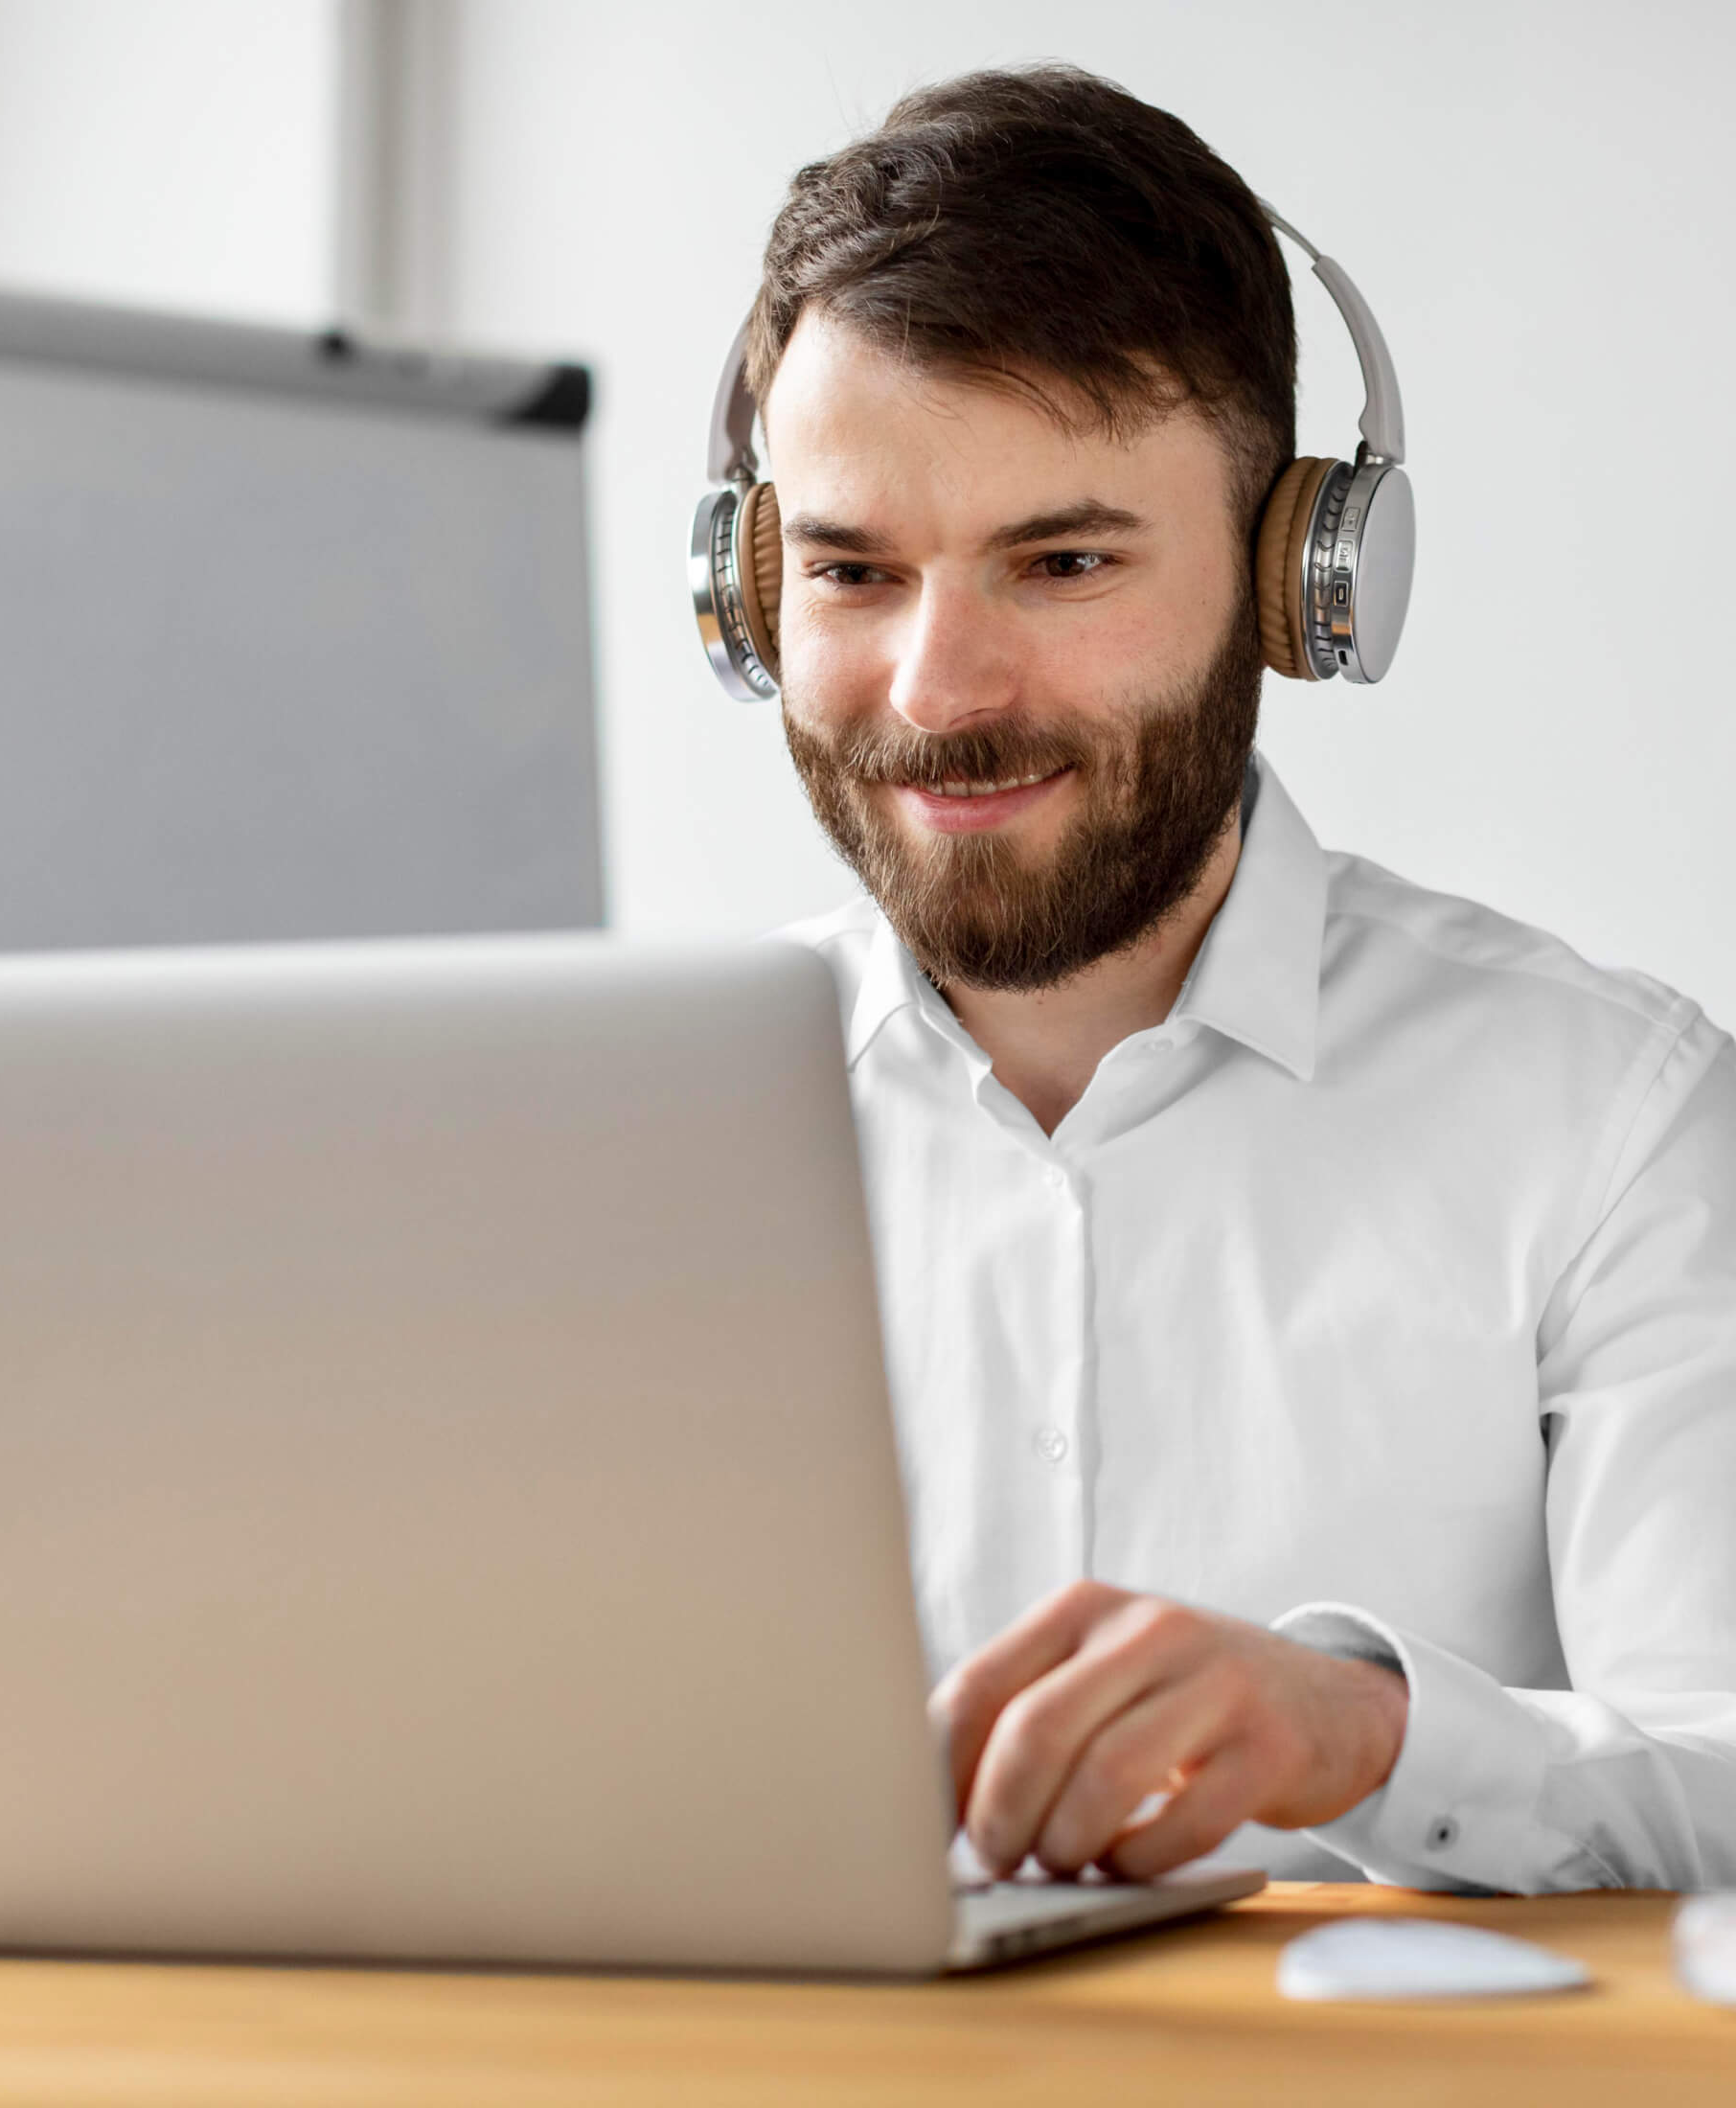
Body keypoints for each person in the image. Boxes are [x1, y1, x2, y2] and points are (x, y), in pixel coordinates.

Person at [736, 65, 1736, 1890]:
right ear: (746, 593)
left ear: (1297, 585)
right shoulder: (635, 1144)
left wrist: (1368, 1736)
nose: (938, 691)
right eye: (853, 571)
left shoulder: (1610, 1120)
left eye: (1062, 561)